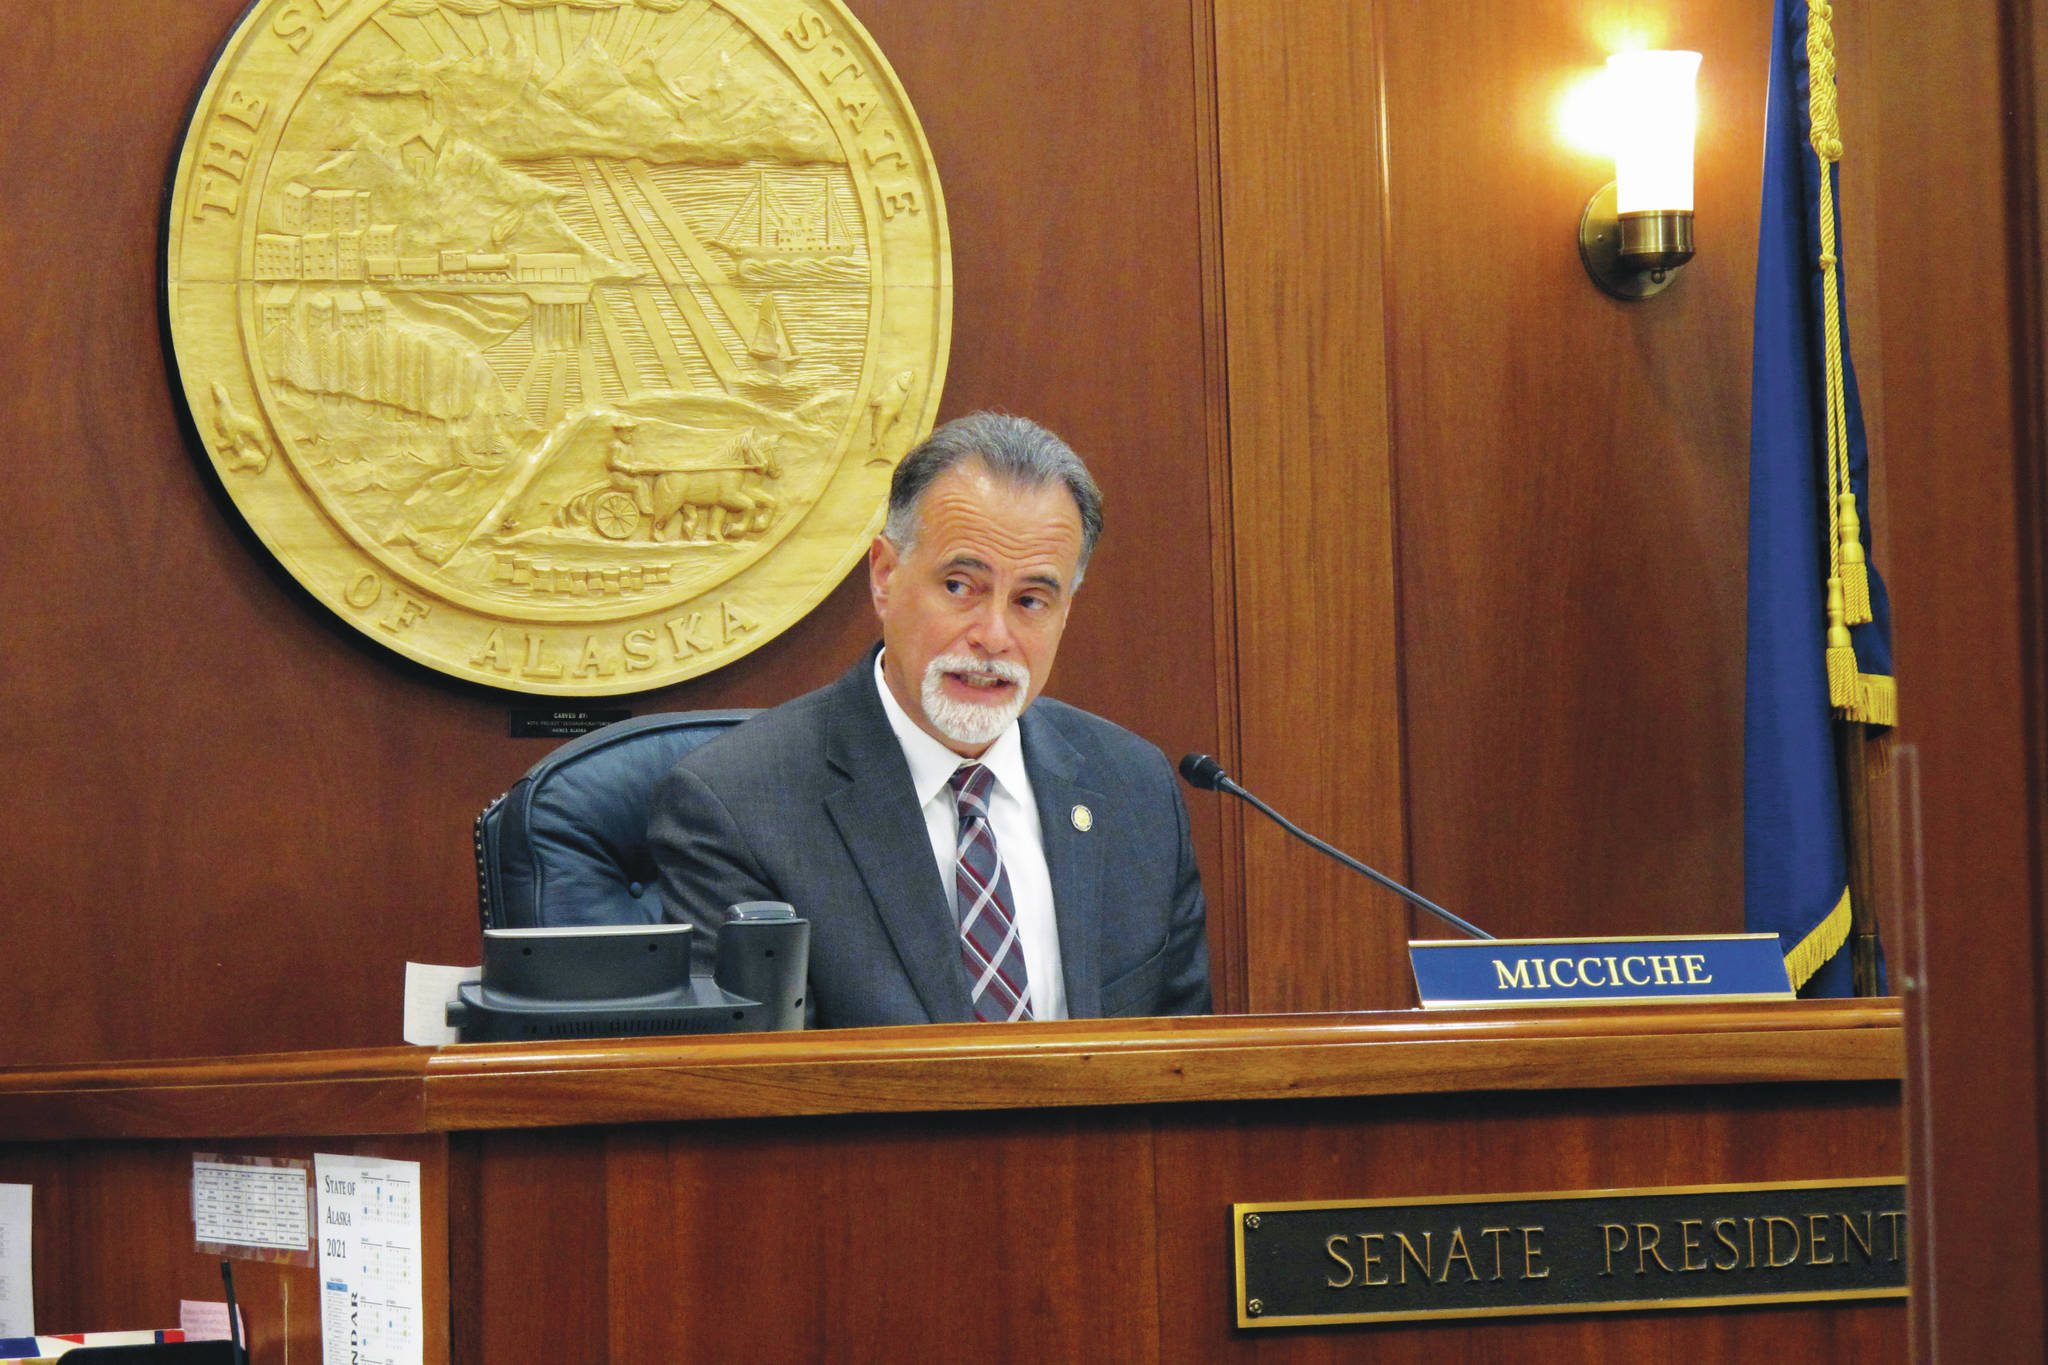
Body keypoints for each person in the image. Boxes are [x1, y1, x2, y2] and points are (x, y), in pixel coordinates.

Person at [648, 412, 1211, 1028]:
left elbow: (1179, 1072)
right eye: (960, 586)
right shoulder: (740, 803)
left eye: (1030, 601)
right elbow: (757, 1096)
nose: (994, 636)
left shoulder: (1135, 789)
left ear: (1066, 611)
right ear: (885, 576)